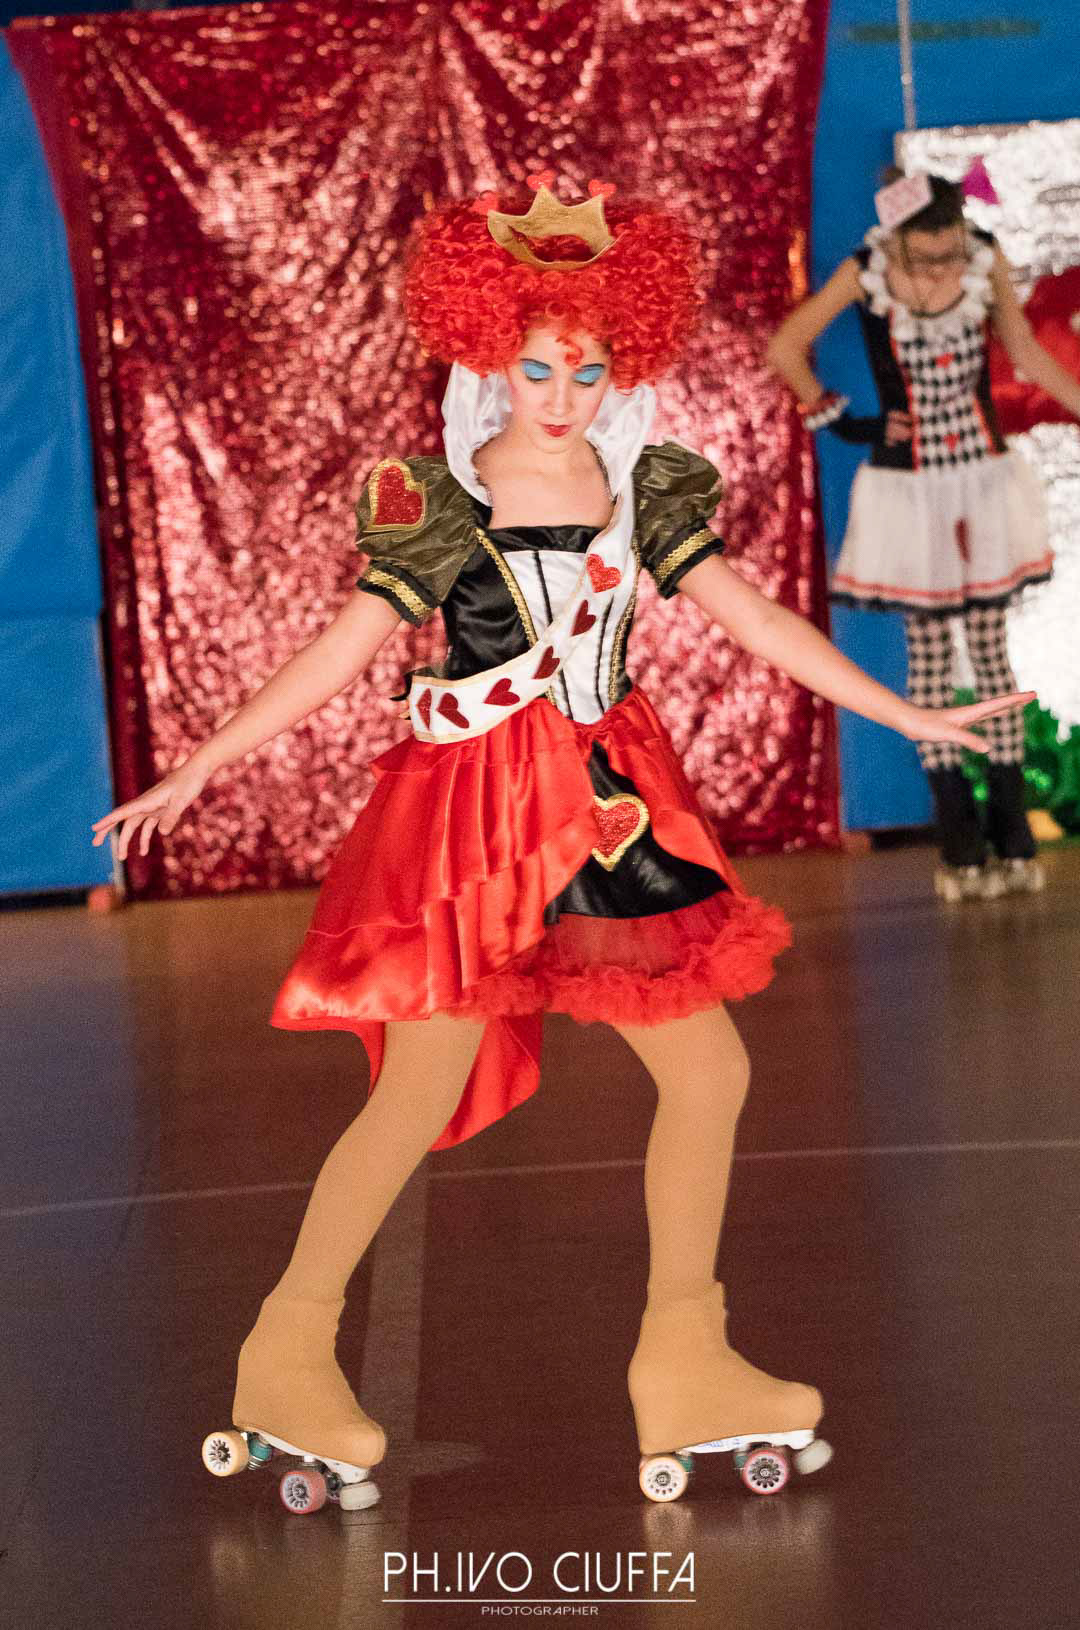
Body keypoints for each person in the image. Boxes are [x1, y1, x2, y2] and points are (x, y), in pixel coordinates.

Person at [92, 175, 1032, 1504]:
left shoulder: (646, 485)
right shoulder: (439, 495)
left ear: (617, 363)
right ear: (492, 355)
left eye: (587, 369)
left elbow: (759, 619)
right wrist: (198, 764)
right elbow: (342, 648)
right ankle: (285, 1352)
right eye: (537, 366)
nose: (562, 393)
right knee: (415, 1092)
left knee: (709, 1072)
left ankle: (685, 1356)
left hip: (608, 808)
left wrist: (911, 710)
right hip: (474, 818)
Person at [767, 168, 1080, 904]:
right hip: (907, 493)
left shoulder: (983, 257)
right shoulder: (868, 270)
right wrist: (847, 420)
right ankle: (960, 843)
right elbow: (786, 348)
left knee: (992, 655)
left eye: (951, 253)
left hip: (982, 480)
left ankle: (1013, 835)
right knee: (932, 659)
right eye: (929, 255)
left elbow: (1028, 352)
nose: (943, 267)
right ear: (900, 240)